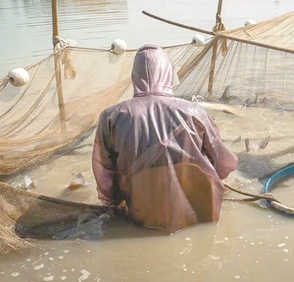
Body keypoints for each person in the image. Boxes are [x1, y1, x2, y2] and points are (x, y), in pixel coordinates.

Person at [92, 44, 238, 233]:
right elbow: (224, 163)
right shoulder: (194, 111)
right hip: (201, 216)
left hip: (141, 217)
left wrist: (114, 202)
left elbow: (104, 175)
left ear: (134, 76)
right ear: (169, 73)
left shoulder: (111, 116)